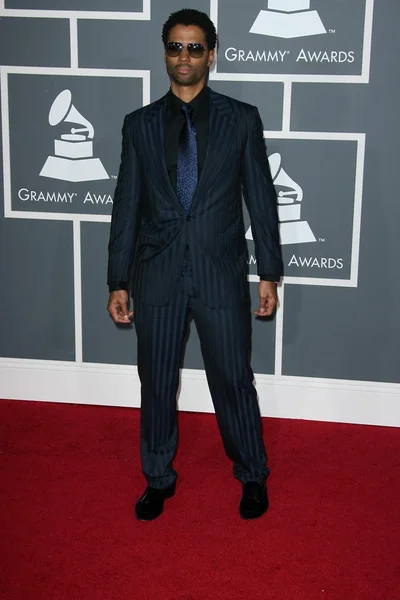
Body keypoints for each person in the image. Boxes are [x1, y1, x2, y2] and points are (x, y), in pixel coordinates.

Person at [107, 8, 283, 521]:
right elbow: (126, 206)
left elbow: (262, 200)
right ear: (165, 53)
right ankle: (158, 477)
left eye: (194, 47)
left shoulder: (241, 118)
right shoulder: (138, 125)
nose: (184, 56)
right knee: (157, 380)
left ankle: (252, 474)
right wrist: (118, 278)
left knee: (232, 378)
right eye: (176, 47)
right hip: (156, 273)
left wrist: (269, 271)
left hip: (220, 272)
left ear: (211, 53)